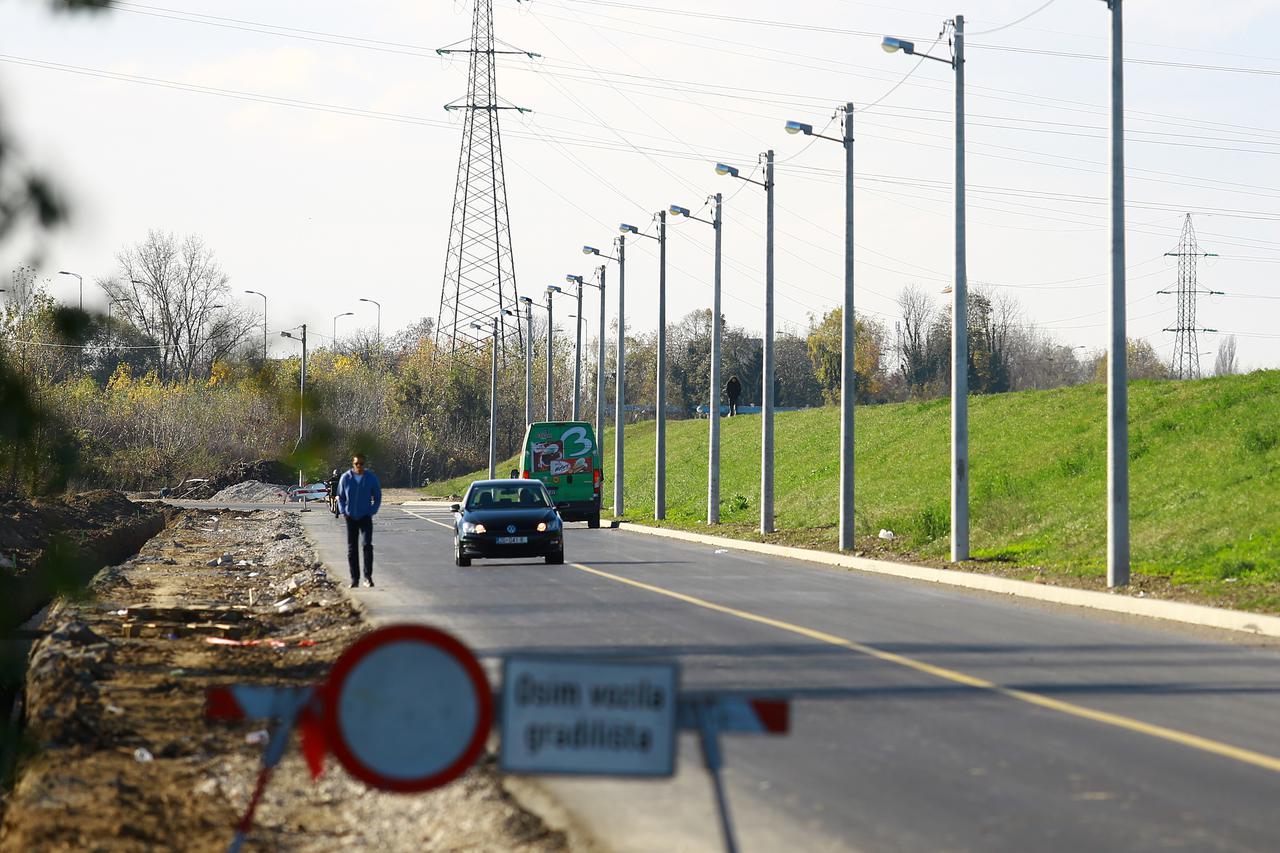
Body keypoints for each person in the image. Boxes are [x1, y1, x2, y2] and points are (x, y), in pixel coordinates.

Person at [337, 454, 382, 588]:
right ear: (353, 464)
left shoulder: (370, 478)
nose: (359, 466)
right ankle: (354, 579)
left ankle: (368, 577)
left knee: (367, 545)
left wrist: (372, 510)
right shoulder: (346, 478)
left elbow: (377, 496)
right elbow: (340, 496)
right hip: (351, 517)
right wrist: (343, 511)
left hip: (365, 516)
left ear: (364, 464)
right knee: (352, 549)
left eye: (361, 464)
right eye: (357, 464)